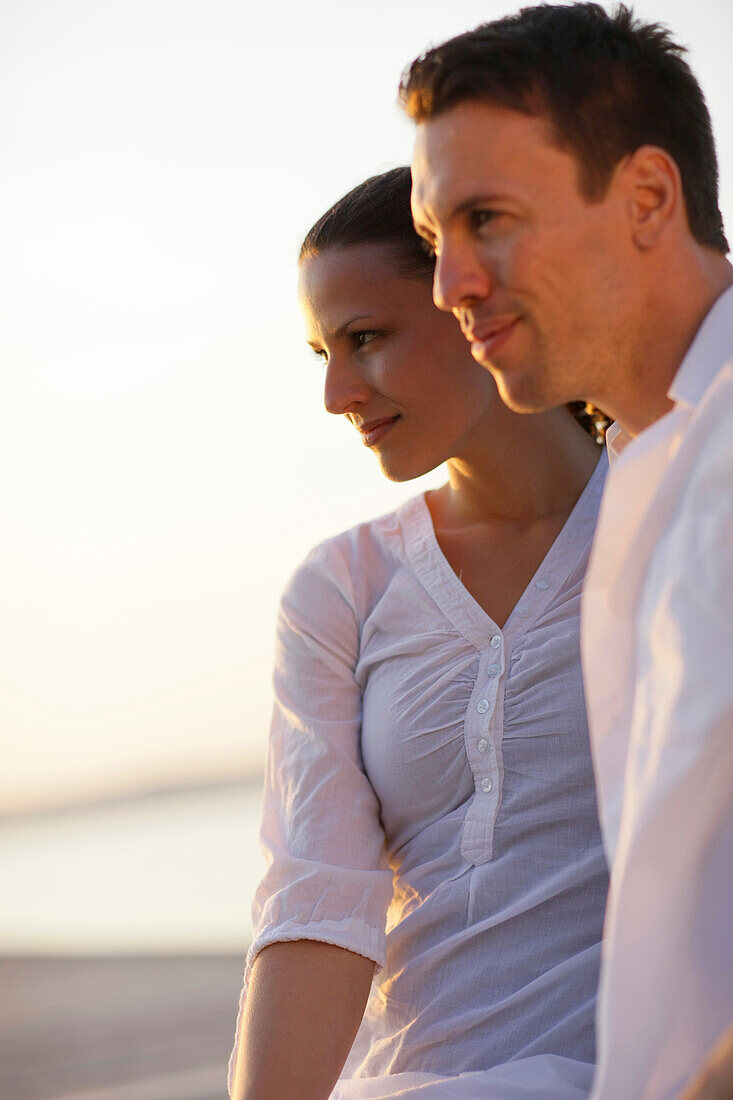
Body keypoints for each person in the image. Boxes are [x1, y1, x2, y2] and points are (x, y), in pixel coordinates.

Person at [400, 5, 733, 1098]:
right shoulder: (644, 465)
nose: (449, 285)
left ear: (644, 197)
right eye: (434, 238)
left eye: (486, 219)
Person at [229, 167, 610, 1099]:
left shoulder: (677, 522)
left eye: (365, 339)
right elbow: (316, 900)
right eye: (321, 350)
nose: (334, 392)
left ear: (475, 304)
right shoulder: (341, 589)